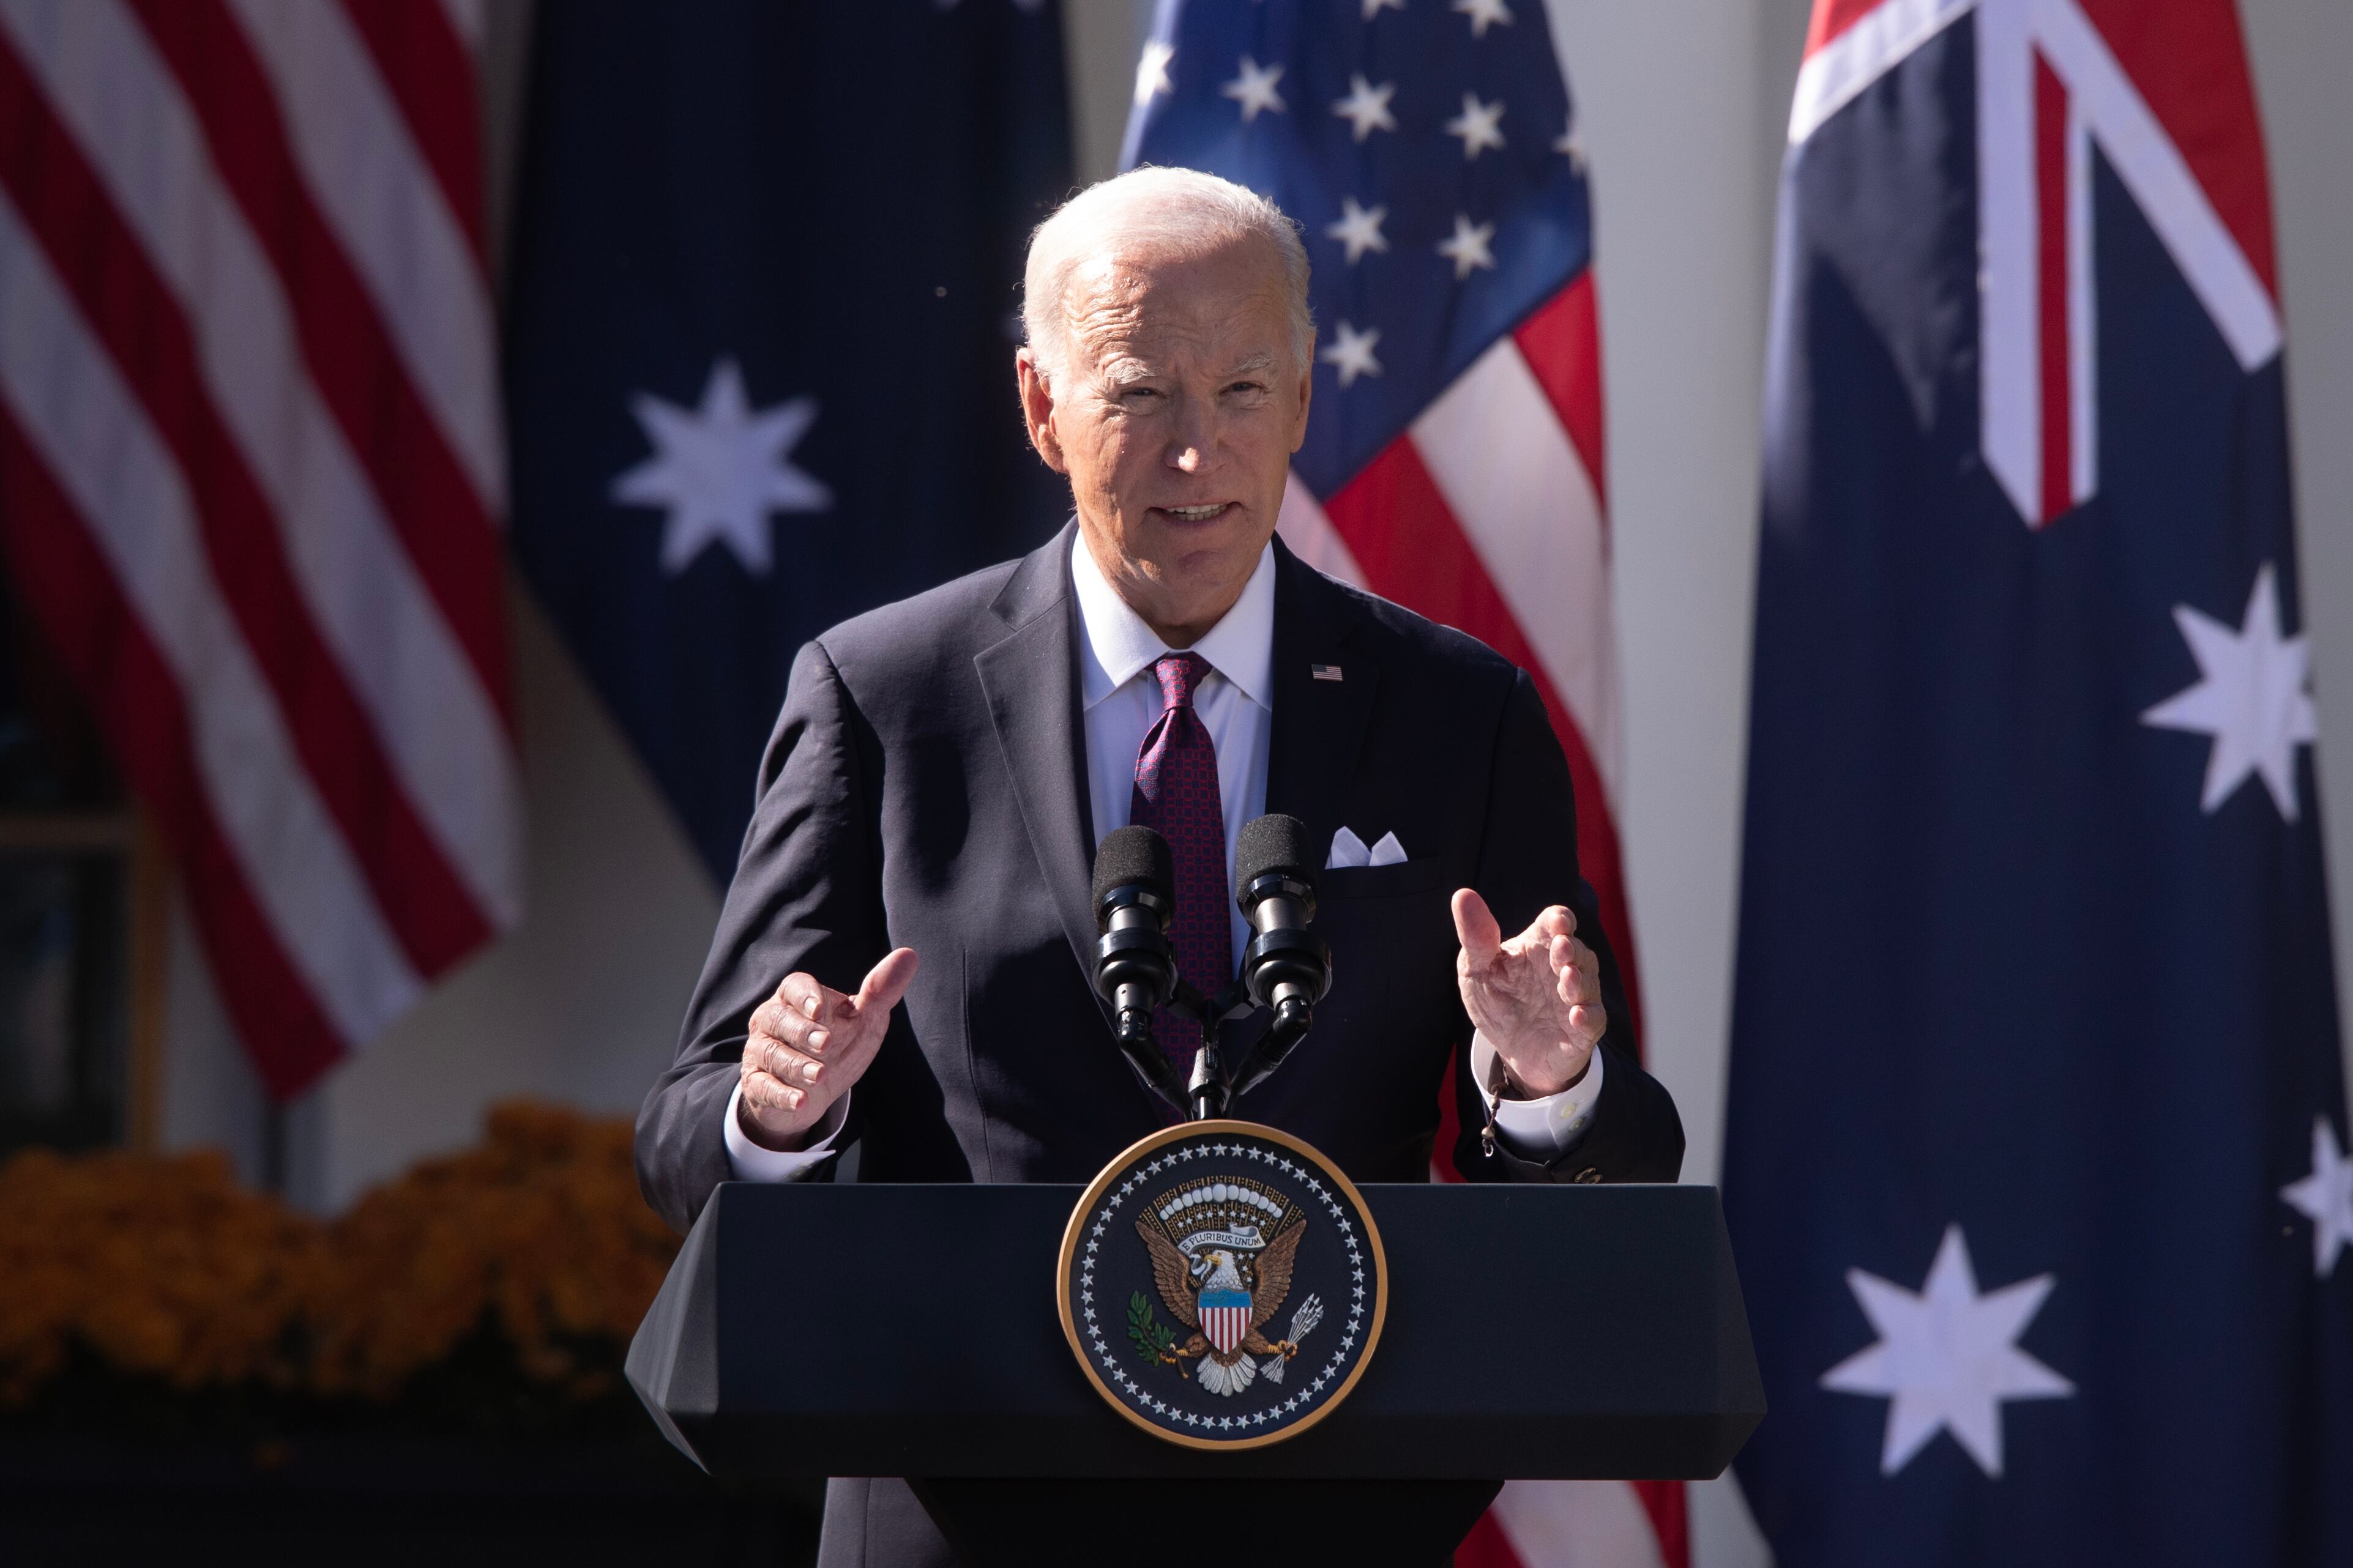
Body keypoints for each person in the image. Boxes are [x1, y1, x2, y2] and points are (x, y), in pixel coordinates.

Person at [635, 166, 1684, 1568]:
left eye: (1243, 391)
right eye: (1139, 393)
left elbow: (1626, 1155)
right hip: (966, 1514)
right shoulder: (884, 697)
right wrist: (776, 1114)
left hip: (1335, 1519)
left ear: (1302, 400)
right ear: (1041, 406)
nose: (1198, 455)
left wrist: (1552, 1092)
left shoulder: (1458, 714)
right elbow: (683, 1134)